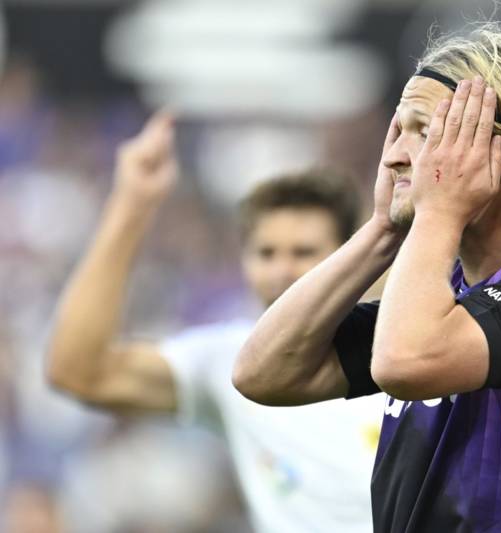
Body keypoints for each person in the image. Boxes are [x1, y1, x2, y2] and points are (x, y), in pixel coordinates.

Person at [234, 23, 501, 533]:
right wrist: (382, 231)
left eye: (424, 132)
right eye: (397, 131)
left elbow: (404, 362)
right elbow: (263, 373)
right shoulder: (443, 298)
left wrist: (436, 212)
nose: (393, 155)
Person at [46, 113, 383, 533]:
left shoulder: (393, 349)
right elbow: (80, 373)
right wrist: (132, 204)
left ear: (348, 256)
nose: (282, 271)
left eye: (303, 252)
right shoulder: (230, 361)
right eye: (266, 253)